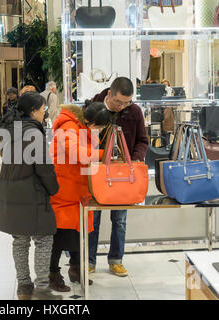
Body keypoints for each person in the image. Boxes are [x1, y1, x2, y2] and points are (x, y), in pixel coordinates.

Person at [0, 91, 62, 301]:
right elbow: (44, 168)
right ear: (33, 111)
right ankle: (42, 290)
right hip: (30, 192)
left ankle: (24, 288)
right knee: (43, 238)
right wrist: (54, 189)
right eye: (42, 110)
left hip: (8, 190)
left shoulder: (10, 130)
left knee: (20, 240)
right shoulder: (34, 133)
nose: (44, 114)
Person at [88, 77, 149, 277]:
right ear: (109, 95)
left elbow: (142, 140)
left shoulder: (134, 112)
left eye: (127, 102)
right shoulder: (93, 107)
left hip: (123, 174)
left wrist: (135, 160)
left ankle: (116, 260)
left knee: (120, 220)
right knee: (93, 219)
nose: (122, 106)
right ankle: (89, 260)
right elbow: (82, 139)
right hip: (97, 172)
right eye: (118, 102)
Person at [49, 102, 111, 292]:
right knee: (60, 234)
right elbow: (78, 153)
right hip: (64, 188)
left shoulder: (81, 126)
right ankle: (52, 273)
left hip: (76, 187)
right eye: (99, 126)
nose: (99, 130)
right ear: (90, 121)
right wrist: (104, 155)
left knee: (78, 231)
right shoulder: (68, 126)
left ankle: (75, 269)